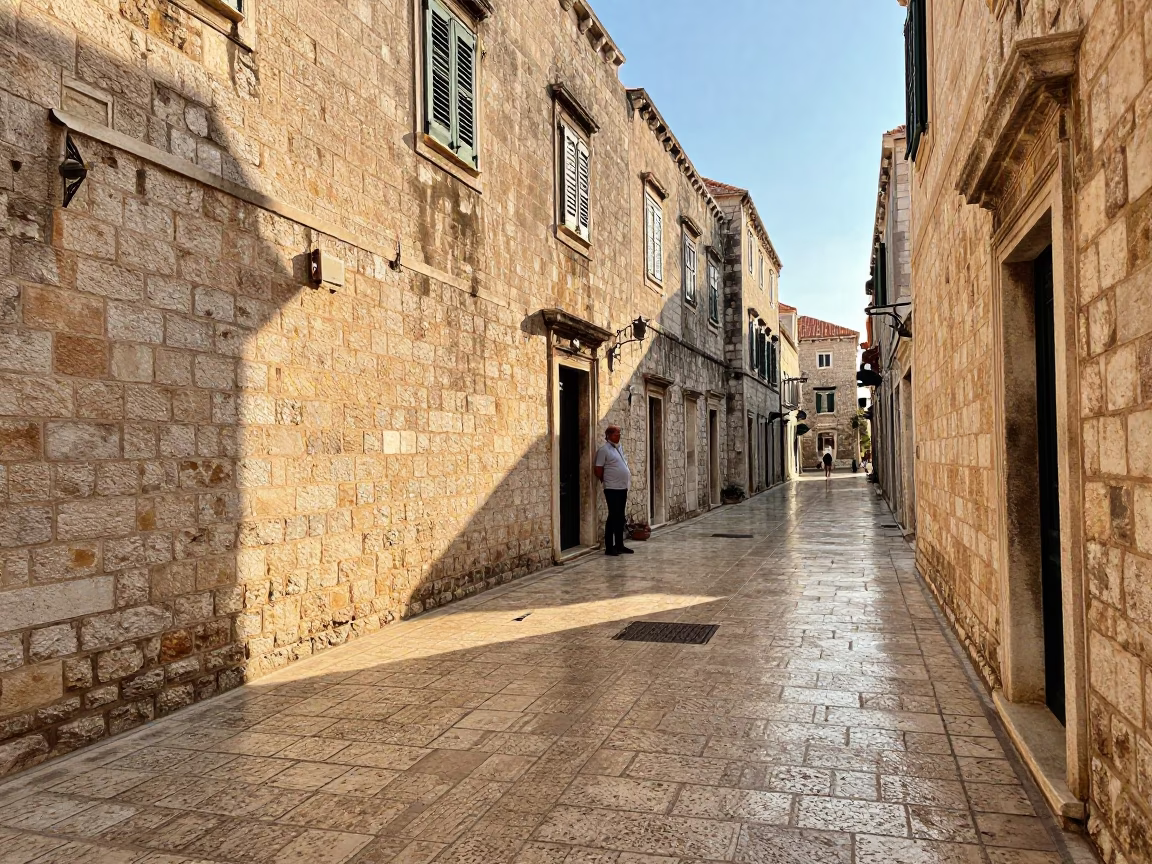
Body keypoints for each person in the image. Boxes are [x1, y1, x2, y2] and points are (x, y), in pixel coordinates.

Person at [594, 425, 633, 556]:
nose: (619, 435)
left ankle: (620, 544)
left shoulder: (619, 448)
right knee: (613, 516)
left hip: (622, 487)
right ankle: (609, 547)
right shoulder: (603, 450)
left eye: (619, 433)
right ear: (609, 435)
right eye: (617, 433)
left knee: (620, 516)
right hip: (612, 488)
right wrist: (606, 480)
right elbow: (598, 469)